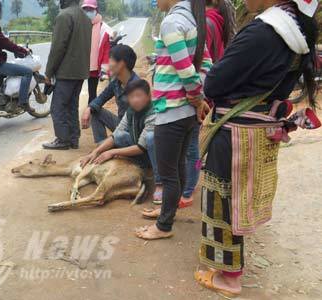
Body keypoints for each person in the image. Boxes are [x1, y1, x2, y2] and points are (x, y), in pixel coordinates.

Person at [194, 0, 319, 296]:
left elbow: (214, 84)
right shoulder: (296, 30)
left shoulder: (263, 31)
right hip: (258, 131)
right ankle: (230, 267)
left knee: (223, 201)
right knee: (239, 198)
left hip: (235, 132)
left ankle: (229, 277)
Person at [136, 0, 212, 240]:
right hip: (186, 113)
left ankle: (164, 226)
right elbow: (207, 65)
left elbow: (184, 69)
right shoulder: (194, 21)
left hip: (172, 111)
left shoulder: (172, 22)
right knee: (177, 168)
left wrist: (196, 97)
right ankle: (168, 211)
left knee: (169, 173)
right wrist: (197, 98)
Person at [178, 0, 236, 208]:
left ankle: (187, 192)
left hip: (202, 93)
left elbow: (200, 60)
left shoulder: (206, 23)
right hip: (210, 91)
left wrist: (195, 93)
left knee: (194, 146)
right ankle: (190, 185)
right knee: (197, 144)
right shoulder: (217, 21)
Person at [80, 79, 160, 187]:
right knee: (120, 136)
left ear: (148, 96)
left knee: (150, 138)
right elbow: (116, 134)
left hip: (153, 154)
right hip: (140, 150)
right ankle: (138, 164)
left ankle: (159, 182)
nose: (135, 100)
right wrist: (96, 151)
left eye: (139, 96)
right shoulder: (131, 111)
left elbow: (141, 147)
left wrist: (112, 152)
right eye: (132, 97)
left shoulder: (152, 113)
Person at [42, 0, 92, 150]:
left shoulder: (64, 16)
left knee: (58, 107)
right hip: (80, 71)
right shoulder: (85, 17)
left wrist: (48, 72)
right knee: (72, 106)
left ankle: (63, 139)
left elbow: (58, 48)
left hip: (66, 72)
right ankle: (73, 138)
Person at [81, 45, 138, 143]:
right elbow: (102, 98)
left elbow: (136, 124)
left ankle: (106, 147)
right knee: (94, 109)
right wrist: (88, 109)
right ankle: (101, 144)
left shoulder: (137, 88)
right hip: (121, 125)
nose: (108, 64)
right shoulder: (116, 81)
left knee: (121, 137)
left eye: (111, 60)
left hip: (133, 132)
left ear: (121, 64)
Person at [81, 0, 112, 104]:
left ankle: (92, 117)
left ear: (96, 10)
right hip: (80, 64)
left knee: (92, 94)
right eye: (85, 9)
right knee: (74, 93)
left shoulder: (104, 28)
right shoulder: (80, 24)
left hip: (93, 68)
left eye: (90, 9)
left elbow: (106, 50)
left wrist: (104, 70)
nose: (88, 12)